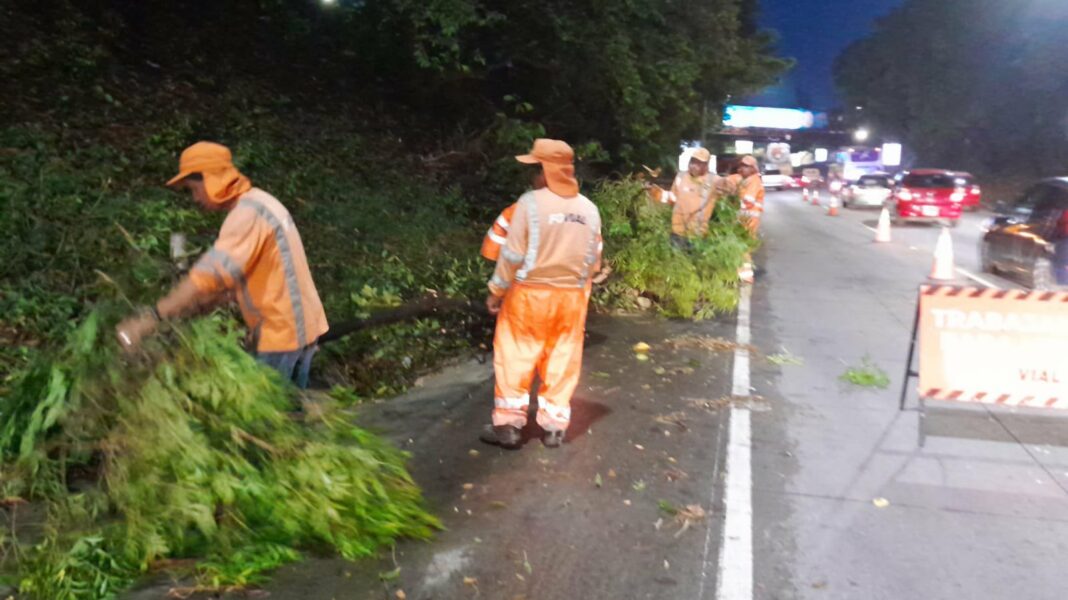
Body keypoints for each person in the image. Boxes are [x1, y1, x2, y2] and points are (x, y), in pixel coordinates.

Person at [115, 141, 329, 388]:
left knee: (267, 419)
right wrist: (193, 309)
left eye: (194, 188)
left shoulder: (248, 215)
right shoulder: (259, 203)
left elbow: (207, 277)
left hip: (282, 335)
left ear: (211, 178)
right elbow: (231, 285)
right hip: (293, 330)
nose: (195, 198)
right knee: (289, 413)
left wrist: (150, 318)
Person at [479, 139, 602, 449]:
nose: (531, 175)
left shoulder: (529, 204)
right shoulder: (589, 209)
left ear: (546, 171)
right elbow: (593, 262)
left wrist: (496, 291)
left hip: (529, 297)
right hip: (572, 298)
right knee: (563, 357)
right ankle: (555, 426)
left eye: (535, 168)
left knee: (515, 356)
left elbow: (511, 255)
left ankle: (508, 425)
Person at [648, 147, 721, 248]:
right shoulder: (681, 176)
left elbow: (732, 188)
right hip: (677, 233)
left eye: (699, 163)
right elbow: (672, 198)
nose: (694, 165)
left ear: (706, 165)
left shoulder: (714, 181)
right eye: (693, 161)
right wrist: (655, 192)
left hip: (697, 236)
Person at [725, 155, 765, 283]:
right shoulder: (742, 178)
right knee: (740, 246)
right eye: (741, 165)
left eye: (746, 166)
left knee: (743, 247)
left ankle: (745, 275)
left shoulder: (754, 181)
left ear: (753, 169)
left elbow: (748, 202)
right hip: (742, 219)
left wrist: (729, 204)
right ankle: (741, 272)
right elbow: (726, 181)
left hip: (749, 221)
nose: (742, 168)